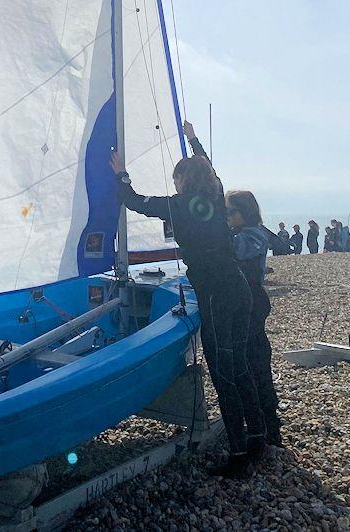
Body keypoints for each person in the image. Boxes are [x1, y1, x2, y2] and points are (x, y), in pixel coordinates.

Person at [110, 121, 265, 478]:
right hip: (240, 290)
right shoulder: (215, 196)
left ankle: (240, 457)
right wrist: (192, 138)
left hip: (215, 295)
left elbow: (133, 201)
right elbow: (207, 163)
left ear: (182, 180)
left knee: (223, 374)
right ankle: (257, 440)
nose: (175, 182)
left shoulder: (176, 205)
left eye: (177, 177)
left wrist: (121, 174)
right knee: (239, 366)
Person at [224, 190, 282, 446]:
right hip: (242, 304)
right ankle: (257, 422)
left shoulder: (254, 235)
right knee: (245, 363)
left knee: (257, 363)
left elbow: (236, 250)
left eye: (229, 212)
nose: (226, 217)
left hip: (253, 304)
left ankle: (270, 427)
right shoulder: (241, 234)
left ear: (244, 212)